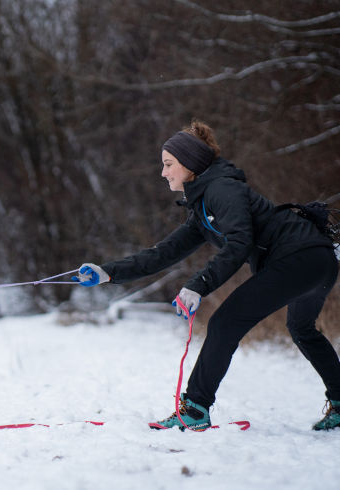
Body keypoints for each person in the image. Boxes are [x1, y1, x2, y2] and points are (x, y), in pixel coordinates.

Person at [73, 120, 340, 431]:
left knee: (226, 322)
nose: (164, 173)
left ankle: (196, 408)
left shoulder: (222, 189)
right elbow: (163, 253)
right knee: (302, 329)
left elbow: (239, 242)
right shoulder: (203, 208)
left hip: (300, 257)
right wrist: (107, 272)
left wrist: (197, 286)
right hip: (317, 261)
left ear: (190, 163)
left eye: (168, 164)